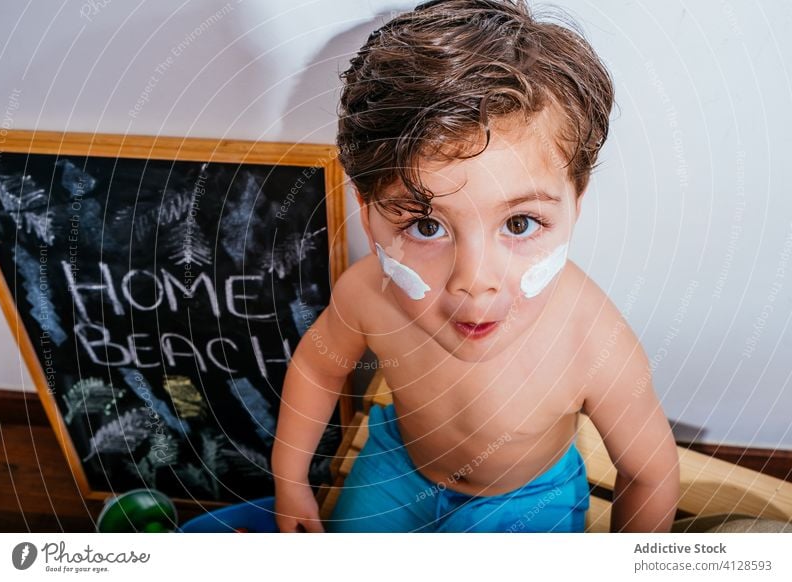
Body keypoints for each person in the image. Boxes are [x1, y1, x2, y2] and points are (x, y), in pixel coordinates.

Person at [272, 0, 679, 533]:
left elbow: (648, 473)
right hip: (398, 464)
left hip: (528, 498)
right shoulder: (367, 296)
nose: (474, 281)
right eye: (426, 226)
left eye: (518, 224)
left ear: (575, 204)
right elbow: (319, 367)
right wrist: (290, 479)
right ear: (370, 220)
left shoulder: (591, 340)